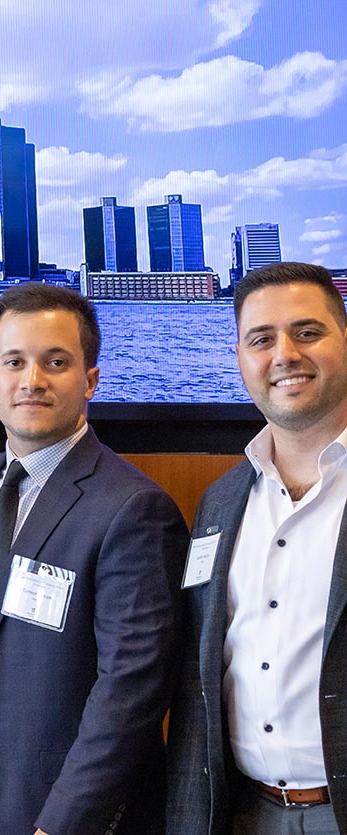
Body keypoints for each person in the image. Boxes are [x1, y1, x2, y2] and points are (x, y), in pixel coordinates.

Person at [0, 283, 188, 835]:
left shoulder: (134, 509)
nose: (32, 380)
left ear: (91, 377)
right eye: (14, 361)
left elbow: (130, 692)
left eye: (56, 362)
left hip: (57, 815)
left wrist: (63, 824)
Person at [168, 262, 347, 835]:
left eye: (308, 332)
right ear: (241, 359)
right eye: (261, 339)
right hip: (241, 812)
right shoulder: (221, 502)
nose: (285, 355)